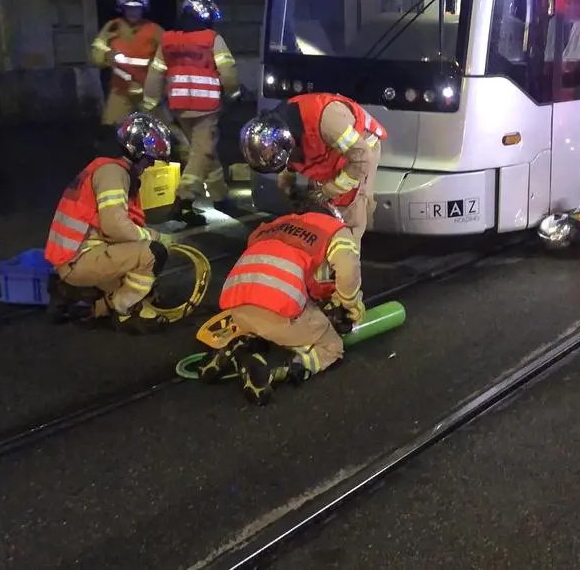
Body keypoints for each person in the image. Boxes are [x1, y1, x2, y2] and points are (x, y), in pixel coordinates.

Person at [197, 195, 364, 405]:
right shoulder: (334, 230)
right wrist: (351, 306)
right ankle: (278, 371)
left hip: (237, 308)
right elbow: (348, 271)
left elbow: (280, 269)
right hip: (277, 312)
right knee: (332, 346)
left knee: (266, 325)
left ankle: (241, 347)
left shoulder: (274, 226)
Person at [45, 112, 173, 334]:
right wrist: (153, 237)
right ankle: (122, 310)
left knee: (147, 280)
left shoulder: (107, 168)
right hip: (80, 258)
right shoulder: (113, 174)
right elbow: (114, 226)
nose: (151, 164)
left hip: (76, 255)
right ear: (136, 152)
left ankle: (84, 300)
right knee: (154, 254)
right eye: (149, 158)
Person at [141, 0, 240, 227]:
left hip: (179, 107)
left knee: (204, 150)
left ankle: (219, 196)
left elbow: (155, 74)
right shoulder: (212, 39)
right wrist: (234, 93)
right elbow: (227, 72)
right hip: (206, 108)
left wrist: (150, 103)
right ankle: (183, 203)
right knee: (200, 154)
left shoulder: (167, 40)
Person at [240, 93, 386, 244]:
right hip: (327, 149)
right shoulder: (279, 131)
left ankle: (347, 255)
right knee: (319, 214)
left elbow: (362, 158)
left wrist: (330, 190)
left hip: (359, 149)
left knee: (347, 219)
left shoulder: (329, 120)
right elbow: (288, 161)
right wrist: (287, 183)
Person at [89, 0, 164, 131]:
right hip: (120, 91)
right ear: (122, 8)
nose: (133, 12)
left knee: (163, 129)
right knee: (110, 129)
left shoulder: (154, 30)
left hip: (148, 92)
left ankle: (179, 152)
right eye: (129, 8)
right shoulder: (113, 27)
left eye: (137, 8)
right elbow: (97, 57)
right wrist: (106, 54)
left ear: (143, 9)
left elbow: (169, 55)